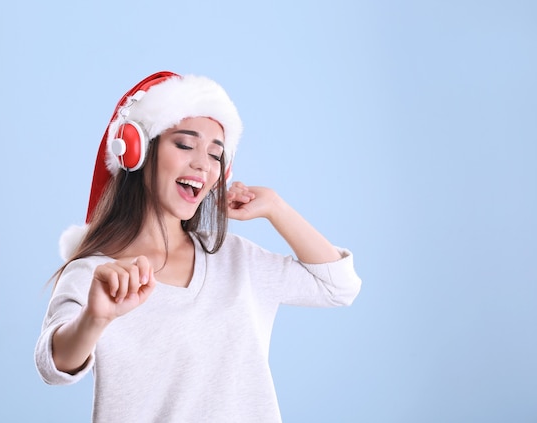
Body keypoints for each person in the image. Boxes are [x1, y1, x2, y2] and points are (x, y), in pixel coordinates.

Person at [35, 71, 362, 423]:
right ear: (137, 151)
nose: (202, 164)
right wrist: (94, 319)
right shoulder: (95, 275)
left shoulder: (236, 260)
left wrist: (276, 208)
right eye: (185, 145)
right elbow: (54, 366)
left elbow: (339, 286)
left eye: (216, 155)